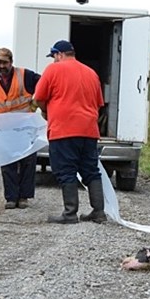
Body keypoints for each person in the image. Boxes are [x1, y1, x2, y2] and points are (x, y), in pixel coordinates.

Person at [34, 40, 106, 224]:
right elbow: (99, 103)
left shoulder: (53, 70)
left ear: (59, 54)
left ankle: (70, 213)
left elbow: (38, 98)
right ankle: (98, 211)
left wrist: (46, 111)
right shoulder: (91, 73)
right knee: (91, 170)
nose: (53, 61)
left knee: (65, 170)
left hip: (63, 130)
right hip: (89, 130)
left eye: (53, 57)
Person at [0, 48, 41, 210]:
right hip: (4, 130)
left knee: (27, 162)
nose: (1, 66)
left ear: (11, 62)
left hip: (24, 128)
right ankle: (11, 197)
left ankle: (24, 197)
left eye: (4, 62)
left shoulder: (26, 76)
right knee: (7, 162)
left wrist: (35, 105)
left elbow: (44, 85)